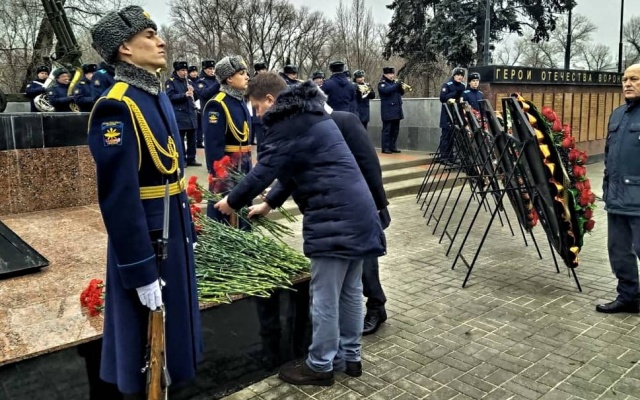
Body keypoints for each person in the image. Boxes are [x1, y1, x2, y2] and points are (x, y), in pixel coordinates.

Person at [214, 74, 385, 386]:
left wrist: (231, 201)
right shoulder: (310, 114)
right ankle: (350, 357)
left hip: (334, 220)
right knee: (349, 293)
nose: (258, 115)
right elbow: (294, 167)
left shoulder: (287, 123)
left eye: (257, 107)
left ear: (270, 100)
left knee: (325, 298)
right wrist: (269, 204)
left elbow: (264, 171)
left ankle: (320, 365)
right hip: (359, 214)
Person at [88, 6, 202, 397]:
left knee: (175, 337)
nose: (161, 42)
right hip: (148, 241)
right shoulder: (117, 106)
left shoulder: (155, 94)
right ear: (125, 48)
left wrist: (188, 232)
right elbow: (118, 199)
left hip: (173, 230)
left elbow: (172, 176)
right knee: (143, 347)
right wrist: (139, 271)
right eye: (150, 36)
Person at [596, 63, 640, 314]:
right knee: (618, 251)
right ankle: (629, 297)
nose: (627, 84)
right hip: (616, 197)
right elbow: (609, 154)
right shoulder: (617, 114)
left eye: (634, 79)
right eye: (625, 79)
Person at [201, 55, 252, 225]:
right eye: (242, 73)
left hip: (243, 168)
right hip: (227, 171)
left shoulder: (240, 101)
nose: (247, 77)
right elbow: (213, 147)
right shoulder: (217, 104)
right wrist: (221, 179)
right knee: (224, 221)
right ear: (229, 78)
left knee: (244, 220)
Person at [166, 60, 201, 166]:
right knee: (180, 139)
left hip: (191, 113)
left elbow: (196, 97)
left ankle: (191, 158)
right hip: (180, 114)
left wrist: (194, 92)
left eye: (186, 70)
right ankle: (182, 159)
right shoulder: (171, 82)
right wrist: (184, 95)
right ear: (177, 71)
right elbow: (170, 97)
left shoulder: (189, 81)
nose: (185, 72)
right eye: (182, 70)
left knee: (192, 138)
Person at [438, 67, 466, 162]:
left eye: (461, 75)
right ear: (453, 75)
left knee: (453, 137)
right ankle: (443, 157)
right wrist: (454, 94)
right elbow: (442, 98)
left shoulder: (462, 86)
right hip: (447, 114)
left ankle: (450, 157)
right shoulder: (447, 85)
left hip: (457, 114)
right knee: (446, 136)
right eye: (457, 75)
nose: (460, 77)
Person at [378, 66, 404, 154]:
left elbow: (402, 93)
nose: (392, 75)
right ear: (385, 74)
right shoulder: (382, 83)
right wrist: (396, 85)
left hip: (397, 110)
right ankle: (385, 148)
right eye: (390, 74)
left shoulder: (394, 83)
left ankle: (393, 146)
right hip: (388, 110)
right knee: (387, 130)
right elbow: (386, 91)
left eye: (392, 74)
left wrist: (400, 86)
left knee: (395, 130)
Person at [195, 59, 220, 148]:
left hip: (220, 109)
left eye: (213, 68)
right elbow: (204, 93)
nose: (212, 71)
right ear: (204, 69)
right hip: (209, 111)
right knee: (211, 135)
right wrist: (217, 84)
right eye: (210, 69)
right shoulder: (201, 81)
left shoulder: (216, 79)